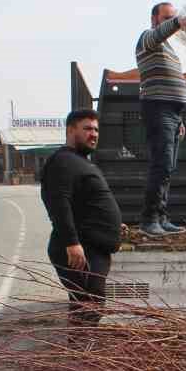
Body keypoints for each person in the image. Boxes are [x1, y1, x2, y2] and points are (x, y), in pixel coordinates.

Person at [40, 109, 122, 327]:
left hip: (92, 247)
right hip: (80, 250)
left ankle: (82, 354)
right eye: (87, 128)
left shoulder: (79, 161)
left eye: (96, 129)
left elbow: (85, 202)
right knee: (88, 306)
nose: (93, 134)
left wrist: (111, 223)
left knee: (87, 306)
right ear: (70, 130)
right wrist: (72, 243)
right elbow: (59, 203)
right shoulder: (63, 161)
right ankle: (80, 355)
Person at [135, 1, 186, 238]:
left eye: (173, 17)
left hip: (171, 113)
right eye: (167, 18)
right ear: (154, 19)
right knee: (160, 165)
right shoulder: (147, 38)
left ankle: (161, 218)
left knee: (167, 167)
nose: (172, 22)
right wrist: (178, 22)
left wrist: (178, 118)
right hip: (157, 108)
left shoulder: (167, 49)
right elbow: (159, 34)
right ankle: (149, 220)